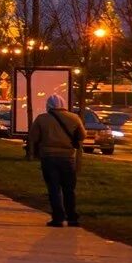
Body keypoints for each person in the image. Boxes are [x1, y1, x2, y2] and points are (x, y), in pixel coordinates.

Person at [26, 93, 85, 227]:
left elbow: (33, 137)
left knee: (53, 187)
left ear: (48, 105)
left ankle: (58, 217)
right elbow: (82, 135)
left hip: (48, 157)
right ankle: (72, 217)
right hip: (68, 157)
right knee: (69, 188)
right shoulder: (74, 118)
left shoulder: (42, 119)